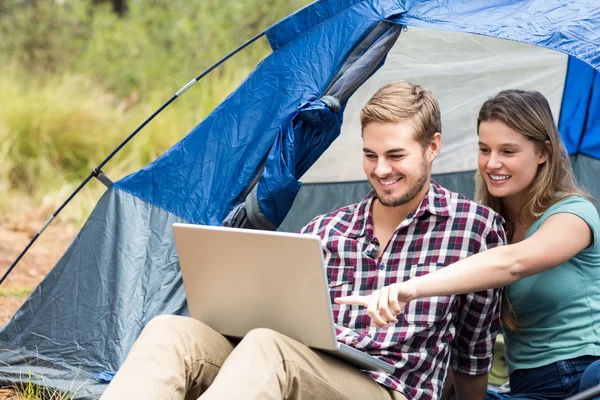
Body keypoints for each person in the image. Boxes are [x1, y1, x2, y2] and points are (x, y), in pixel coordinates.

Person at [100, 81, 506, 400]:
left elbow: (473, 354)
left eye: (395, 156)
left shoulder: (474, 229)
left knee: (268, 348)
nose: (381, 170)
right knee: (171, 331)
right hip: (298, 363)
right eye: (370, 155)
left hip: (387, 387)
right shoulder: (326, 230)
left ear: (433, 147)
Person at [336, 89, 600, 399]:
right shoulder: (490, 225)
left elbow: (513, 263)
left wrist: (410, 288)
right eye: (485, 149)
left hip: (581, 377)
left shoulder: (574, 214)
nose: (492, 163)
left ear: (543, 152)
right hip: (523, 388)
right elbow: (465, 339)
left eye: (508, 151)